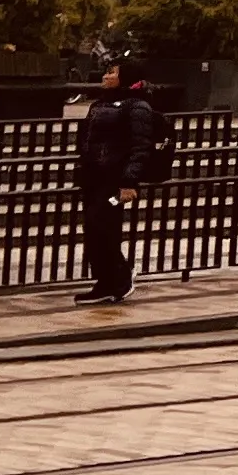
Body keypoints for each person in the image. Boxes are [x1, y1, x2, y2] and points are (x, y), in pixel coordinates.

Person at [70, 54, 166, 306]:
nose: (105, 76)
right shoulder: (100, 104)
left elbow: (140, 147)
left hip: (116, 181)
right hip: (94, 178)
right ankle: (105, 281)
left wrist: (129, 181)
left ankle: (118, 279)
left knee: (103, 225)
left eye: (112, 72)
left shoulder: (138, 107)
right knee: (93, 229)